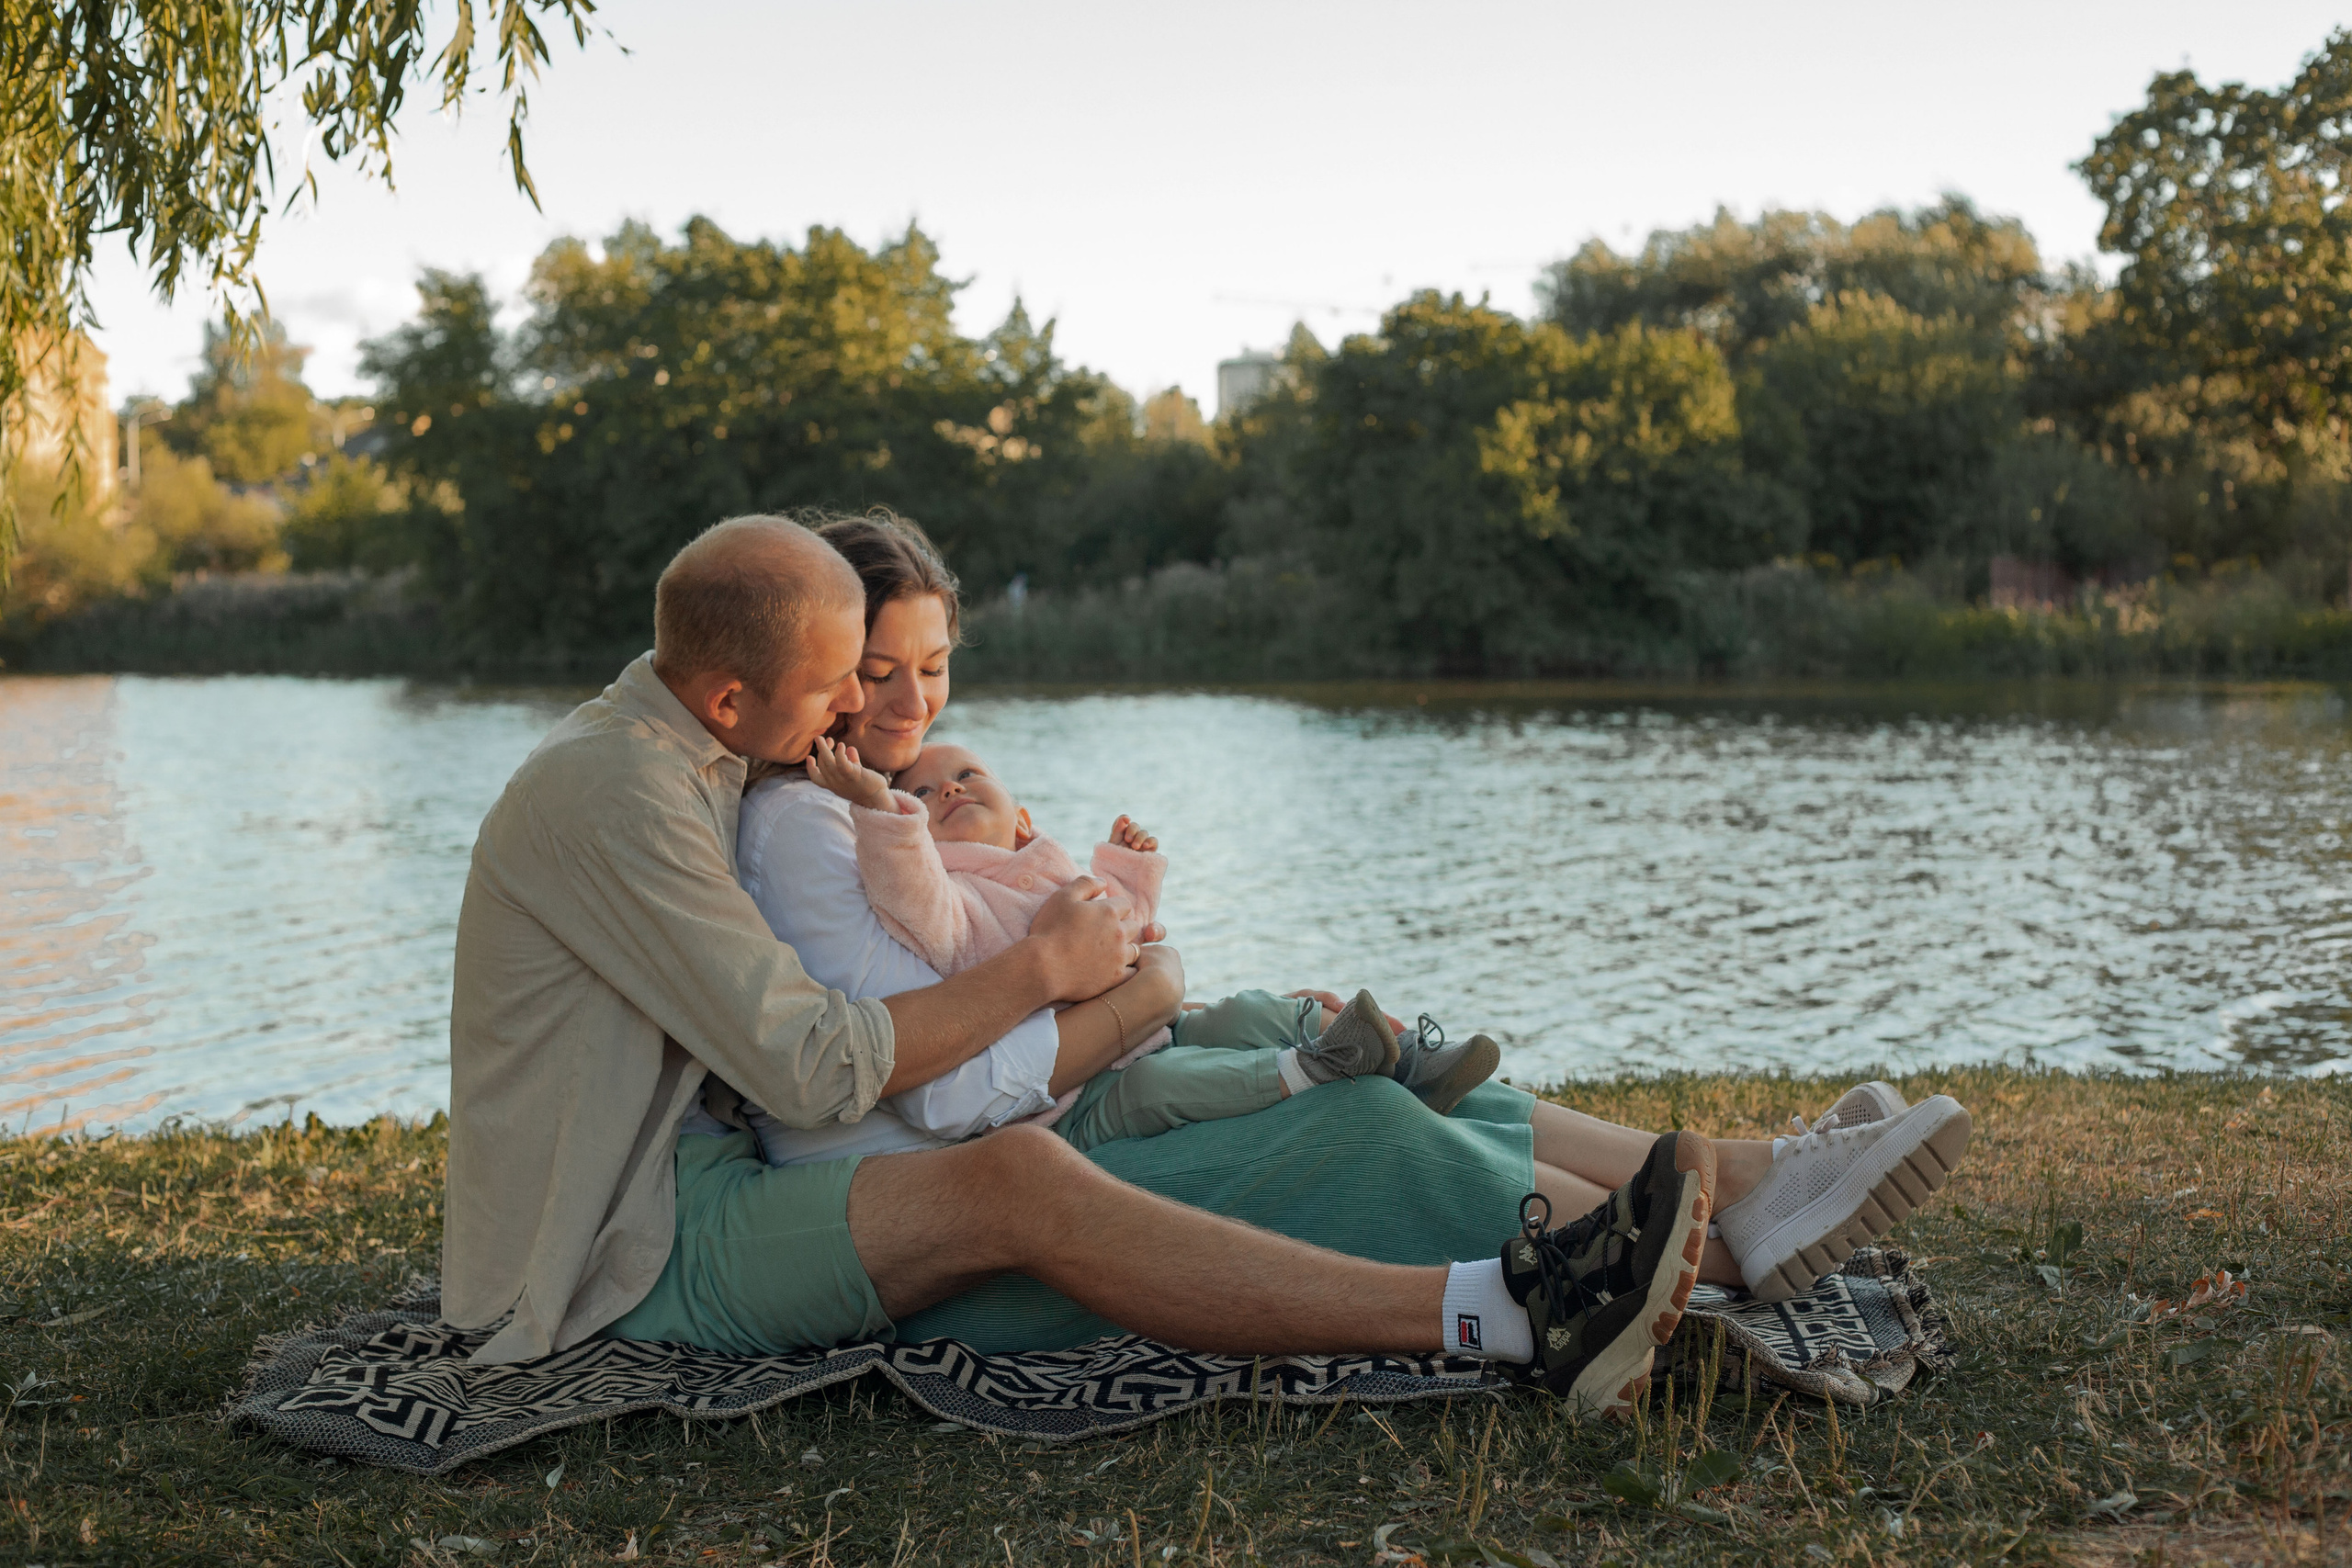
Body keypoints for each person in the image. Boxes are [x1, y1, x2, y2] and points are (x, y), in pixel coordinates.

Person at [441, 512, 1729, 1416]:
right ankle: (1498, 1309)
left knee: (1261, 1071)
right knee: (1020, 1174)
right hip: (635, 1245)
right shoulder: (626, 791)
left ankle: (1685, 1223)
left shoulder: (699, 760)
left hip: (720, 1172)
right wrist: (1051, 968)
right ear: (730, 696)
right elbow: (819, 1064)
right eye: (843, 680)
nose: (862, 711)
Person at [715, 512, 1974, 1346]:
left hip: (1036, 1119)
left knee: (1358, 1055)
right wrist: (1131, 1000)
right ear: (820, 657)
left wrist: (1124, 982)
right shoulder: (809, 831)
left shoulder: (889, 800)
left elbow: (983, 979)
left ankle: (1721, 1180)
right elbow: (937, 1095)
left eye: (929, 665)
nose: (907, 697)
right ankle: (1681, 1264)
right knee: (1354, 1120)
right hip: (946, 1205)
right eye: (876, 667)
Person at [797, 731, 1496, 1143]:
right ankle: (1310, 1069)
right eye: (921, 792)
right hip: (1075, 1091)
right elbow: (903, 880)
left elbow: (1123, 934)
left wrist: (1123, 867)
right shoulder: (948, 895)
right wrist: (878, 809)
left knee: (1244, 1011)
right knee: (1170, 1084)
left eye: (966, 774)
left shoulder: (1044, 866)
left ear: (1022, 817)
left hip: (1141, 1027)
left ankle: (1398, 1055)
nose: (946, 790)